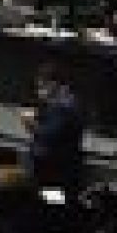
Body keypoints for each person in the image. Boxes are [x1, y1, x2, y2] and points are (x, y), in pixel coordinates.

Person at [24, 62, 86, 196]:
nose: (39, 92)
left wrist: (31, 125)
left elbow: (50, 135)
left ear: (53, 84)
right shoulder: (62, 102)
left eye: (41, 87)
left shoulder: (63, 106)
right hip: (57, 167)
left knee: (51, 201)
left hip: (54, 169)